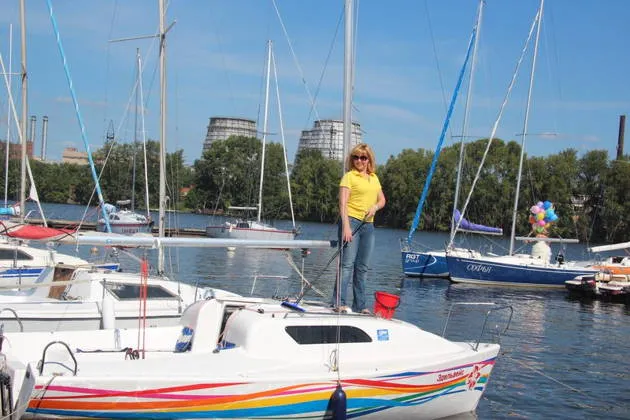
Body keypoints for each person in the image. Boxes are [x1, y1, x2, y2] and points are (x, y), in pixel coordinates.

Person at [332, 143, 386, 314]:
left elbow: (382, 200)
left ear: (369, 160)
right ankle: (338, 303)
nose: (359, 161)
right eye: (356, 157)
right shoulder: (349, 177)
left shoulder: (374, 178)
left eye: (363, 157)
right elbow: (343, 204)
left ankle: (360, 306)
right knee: (347, 265)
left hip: (368, 225)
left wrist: (375, 207)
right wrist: (346, 226)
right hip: (351, 221)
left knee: (362, 267)